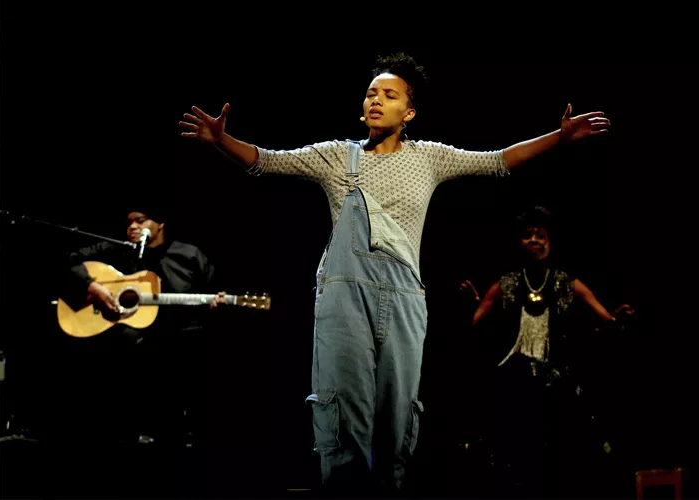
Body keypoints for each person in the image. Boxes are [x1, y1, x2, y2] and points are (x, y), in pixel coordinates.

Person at [178, 53, 610, 495]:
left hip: (404, 299)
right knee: (344, 414)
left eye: (389, 95)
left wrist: (559, 137)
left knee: (397, 419)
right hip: (345, 301)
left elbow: (497, 160)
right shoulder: (336, 156)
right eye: (371, 93)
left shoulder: (429, 158)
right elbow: (266, 160)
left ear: (409, 113)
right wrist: (220, 140)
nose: (376, 100)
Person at [458, 206, 635, 498]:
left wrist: (619, 320)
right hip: (515, 386)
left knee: (562, 457)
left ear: (551, 242)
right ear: (519, 242)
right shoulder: (506, 284)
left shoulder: (566, 283)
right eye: (528, 235)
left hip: (557, 386)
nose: (534, 241)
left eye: (540, 235)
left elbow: (606, 319)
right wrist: (471, 304)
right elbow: (475, 322)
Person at [57, 207, 227, 448]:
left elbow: (213, 289)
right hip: (126, 346)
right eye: (129, 223)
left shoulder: (188, 255)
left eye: (140, 221)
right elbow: (66, 259)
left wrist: (218, 302)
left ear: (160, 224)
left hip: (179, 337)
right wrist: (92, 286)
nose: (133, 227)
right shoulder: (118, 250)